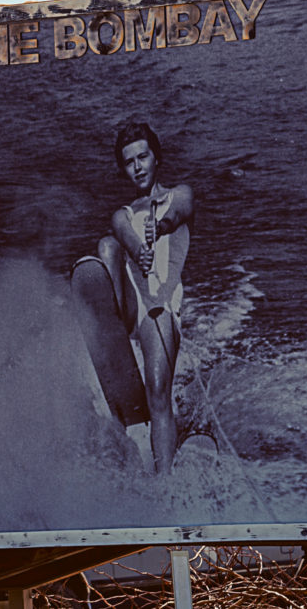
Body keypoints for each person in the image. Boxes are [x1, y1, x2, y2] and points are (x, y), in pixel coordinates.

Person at [96, 122, 193, 473]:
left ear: (156, 158)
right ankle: (113, 331)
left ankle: (164, 480)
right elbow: (122, 231)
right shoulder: (122, 214)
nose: (137, 167)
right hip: (130, 303)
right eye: (129, 162)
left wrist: (162, 226)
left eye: (143, 157)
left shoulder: (179, 195)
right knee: (107, 246)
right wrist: (138, 249)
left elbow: (178, 213)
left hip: (159, 307)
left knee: (157, 390)